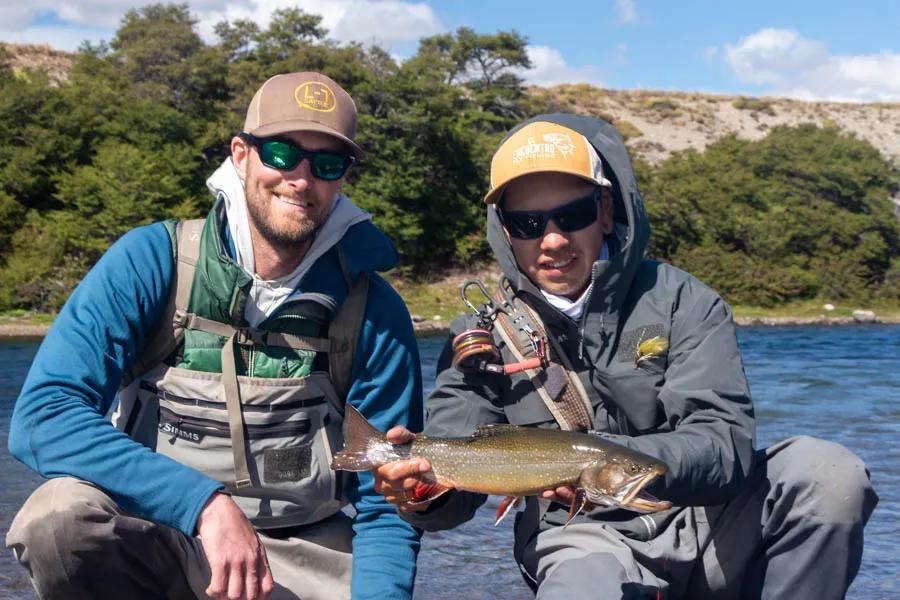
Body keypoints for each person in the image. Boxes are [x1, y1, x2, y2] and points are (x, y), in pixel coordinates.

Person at [374, 114, 878, 599]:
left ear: (607, 210)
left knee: (827, 473)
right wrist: (420, 495)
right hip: (581, 538)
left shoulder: (683, 300)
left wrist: (602, 464)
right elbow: (453, 499)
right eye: (527, 222)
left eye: (573, 216)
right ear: (504, 230)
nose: (552, 240)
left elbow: (725, 444)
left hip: (704, 522)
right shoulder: (478, 336)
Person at [6, 72, 423, 600]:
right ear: (242, 154)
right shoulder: (151, 261)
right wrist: (202, 503)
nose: (301, 178)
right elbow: (43, 416)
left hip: (307, 555)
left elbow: (387, 500)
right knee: (56, 518)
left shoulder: (373, 309)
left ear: (341, 179)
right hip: (160, 535)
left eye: (326, 164)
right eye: (281, 153)